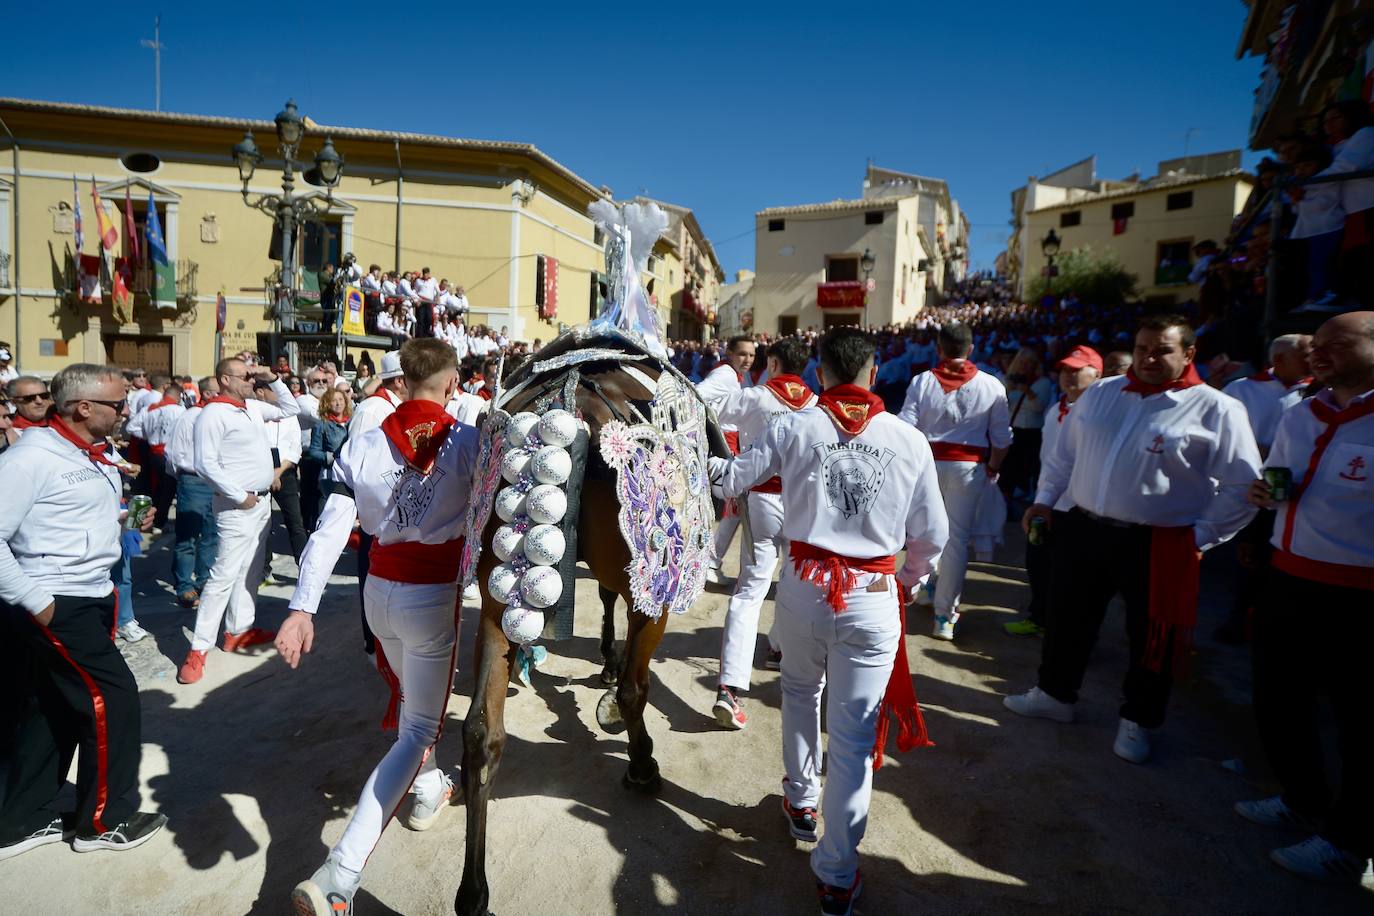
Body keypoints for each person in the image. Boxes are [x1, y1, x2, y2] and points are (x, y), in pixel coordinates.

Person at [708, 326, 948, 916]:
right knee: (854, 737)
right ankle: (837, 871)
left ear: (820, 374)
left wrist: (673, 455)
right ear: (874, 373)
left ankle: (801, 800)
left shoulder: (795, 426)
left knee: (798, 691)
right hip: (873, 593)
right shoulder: (909, 439)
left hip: (804, 585)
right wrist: (911, 580)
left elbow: (731, 478)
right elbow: (933, 534)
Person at [276, 338, 481, 915]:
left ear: (400, 381)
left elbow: (328, 530)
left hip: (378, 594)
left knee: (410, 701)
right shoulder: (470, 444)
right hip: (430, 597)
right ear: (451, 384)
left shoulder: (363, 443)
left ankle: (429, 787)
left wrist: (302, 607)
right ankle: (339, 874)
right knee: (419, 729)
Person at [1004, 314, 1262, 763]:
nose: (1149, 358)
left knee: (1152, 636)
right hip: (1084, 527)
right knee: (1067, 618)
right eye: (1143, 348)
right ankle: (1054, 694)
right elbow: (1064, 456)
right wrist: (1044, 501)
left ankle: (1139, 719)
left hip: (1160, 541)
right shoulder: (1102, 392)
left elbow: (1243, 486)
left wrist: (1201, 535)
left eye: (1162, 350)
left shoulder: (1217, 409)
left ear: (1189, 353)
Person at [0, 363, 165, 860]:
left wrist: (124, 518)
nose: (126, 410)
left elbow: (68, 516)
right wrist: (38, 602)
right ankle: (103, 821)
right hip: (57, 599)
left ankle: (16, 820)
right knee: (113, 699)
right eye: (118, 403)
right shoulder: (30, 457)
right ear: (83, 407)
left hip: (90, 594)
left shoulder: (89, 450)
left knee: (53, 709)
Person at [1235, 311, 1374, 884]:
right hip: (1290, 577)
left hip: (1361, 596)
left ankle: (1351, 842)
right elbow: (1278, 480)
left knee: (1360, 721)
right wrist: (1262, 496)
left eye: (1337, 342)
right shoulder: (1300, 413)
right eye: (1316, 344)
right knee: (1278, 696)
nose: (1319, 351)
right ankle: (1303, 796)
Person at [710, 336, 816, 730]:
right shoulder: (817, 406)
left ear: (772, 363)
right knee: (792, 582)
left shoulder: (755, 396)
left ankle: (730, 688)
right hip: (802, 503)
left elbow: (709, 410)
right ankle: (779, 648)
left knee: (750, 591)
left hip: (762, 499)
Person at [177, 359, 300, 685]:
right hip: (237, 505)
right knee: (223, 576)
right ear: (225, 379)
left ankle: (238, 630)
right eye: (245, 375)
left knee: (251, 570)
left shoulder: (251, 407)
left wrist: (272, 378)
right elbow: (205, 464)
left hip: (260, 502)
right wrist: (238, 495)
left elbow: (291, 408)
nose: (251, 379)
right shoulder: (213, 414)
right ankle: (199, 648)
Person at [897, 322, 1011, 640]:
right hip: (968, 468)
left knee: (924, 530)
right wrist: (993, 467)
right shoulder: (992, 385)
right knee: (956, 540)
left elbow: (906, 427)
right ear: (970, 349)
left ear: (939, 348)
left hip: (928, 464)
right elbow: (1002, 439)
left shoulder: (923, 381)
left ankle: (926, 586)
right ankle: (944, 615)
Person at [1005, 345, 1102, 638]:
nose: (1068, 376)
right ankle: (1039, 618)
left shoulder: (1100, 415)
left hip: (1079, 507)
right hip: (1047, 503)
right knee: (1038, 564)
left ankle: (1067, 629)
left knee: (1071, 575)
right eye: (1065, 370)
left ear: (1097, 375)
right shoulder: (1055, 410)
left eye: (1077, 370)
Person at [698, 335, 756, 586]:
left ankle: (711, 561)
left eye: (751, 355)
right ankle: (710, 562)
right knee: (733, 508)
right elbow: (697, 394)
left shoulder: (734, 375)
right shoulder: (725, 375)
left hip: (731, 446)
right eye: (742, 354)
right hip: (724, 447)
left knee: (733, 509)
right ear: (729, 353)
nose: (748, 359)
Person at [165, 377, 220, 608]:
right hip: (194, 480)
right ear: (207, 394)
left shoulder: (220, 415)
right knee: (188, 536)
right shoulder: (190, 417)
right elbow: (173, 452)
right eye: (219, 391)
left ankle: (205, 579)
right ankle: (185, 586)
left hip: (216, 481)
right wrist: (184, 478)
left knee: (211, 535)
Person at [998, 347, 1053, 508]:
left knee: (1028, 468)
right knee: (1008, 470)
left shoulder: (1043, 383)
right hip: (1013, 429)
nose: (1024, 366)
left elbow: (1039, 408)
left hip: (1032, 433)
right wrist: (1007, 390)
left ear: (1035, 365)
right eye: (1021, 362)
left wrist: (1028, 392)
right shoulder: (1009, 379)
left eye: (1029, 363)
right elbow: (1002, 407)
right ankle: (1004, 505)